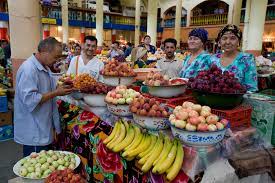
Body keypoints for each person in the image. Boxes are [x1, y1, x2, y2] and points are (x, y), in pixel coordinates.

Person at [14, 37, 74, 157]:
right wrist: (56, 93)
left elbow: (47, 87)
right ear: (45, 52)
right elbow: (31, 99)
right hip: (34, 130)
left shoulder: (44, 67)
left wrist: (60, 86)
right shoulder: (29, 69)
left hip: (42, 126)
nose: (57, 61)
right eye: (55, 57)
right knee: (36, 166)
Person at [209, 24, 258, 92]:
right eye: (224, 38)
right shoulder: (212, 59)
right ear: (219, 42)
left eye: (232, 38)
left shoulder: (247, 59)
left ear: (238, 42)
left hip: (239, 101)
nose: (228, 42)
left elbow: (252, 89)